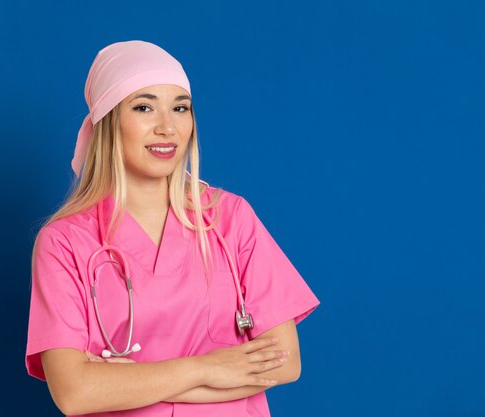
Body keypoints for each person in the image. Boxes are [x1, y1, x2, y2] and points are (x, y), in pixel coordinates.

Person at [25, 40, 321, 417]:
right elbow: (75, 393)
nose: (167, 127)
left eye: (180, 108)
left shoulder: (230, 219)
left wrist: (128, 383)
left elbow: (284, 363)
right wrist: (208, 367)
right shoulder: (65, 242)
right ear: (109, 120)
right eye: (144, 107)